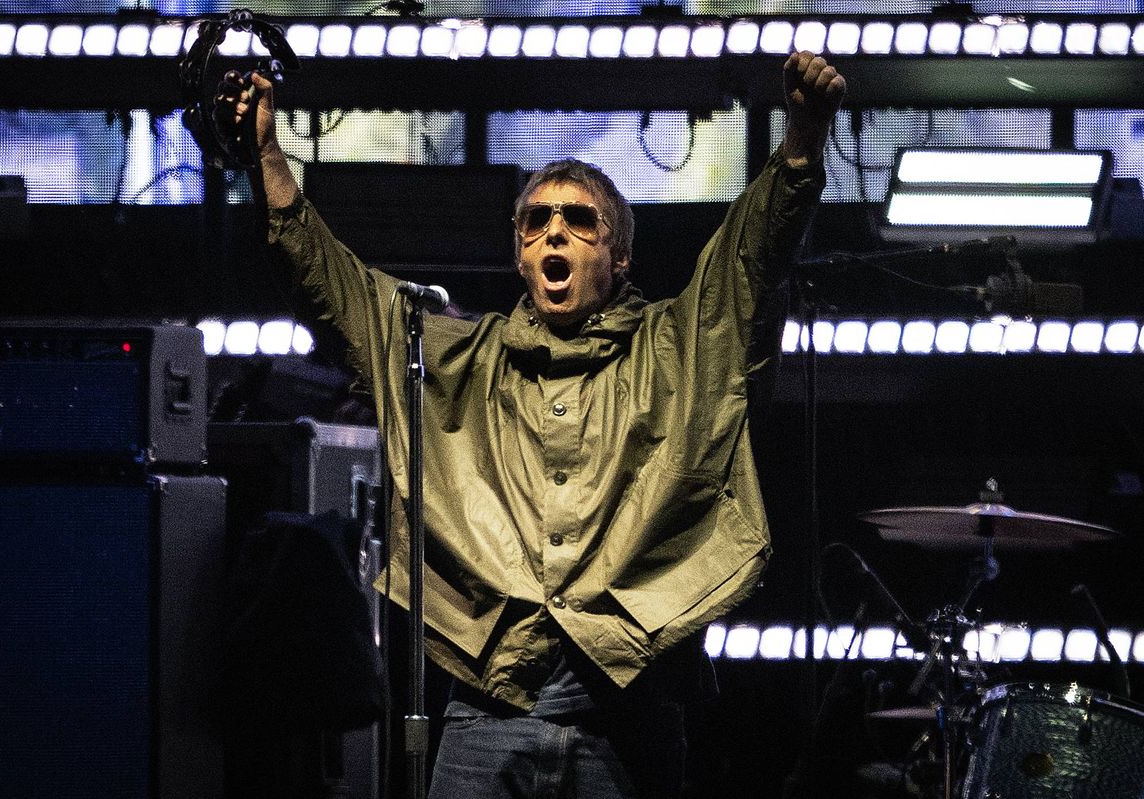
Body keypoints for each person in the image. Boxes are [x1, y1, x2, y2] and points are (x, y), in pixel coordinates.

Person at [218, 50, 845, 798]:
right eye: (536, 222)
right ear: (519, 253)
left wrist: (801, 144)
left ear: (618, 255)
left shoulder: (678, 351)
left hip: (626, 710)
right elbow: (337, 289)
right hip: (489, 711)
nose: (553, 233)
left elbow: (748, 260)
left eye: (579, 222)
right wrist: (266, 156)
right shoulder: (454, 359)